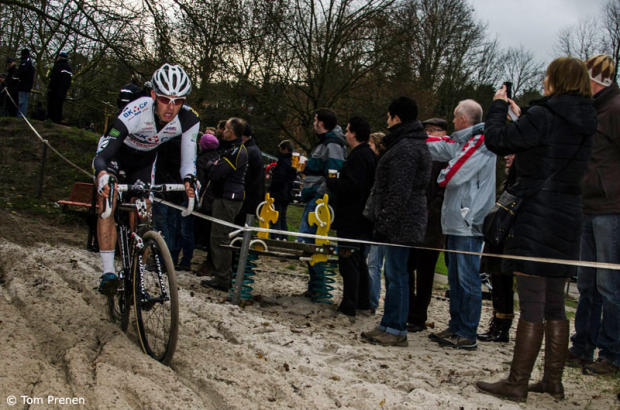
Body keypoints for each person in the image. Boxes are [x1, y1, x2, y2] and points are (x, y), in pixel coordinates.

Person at [476, 57, 597, 402]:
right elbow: (547, 147)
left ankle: (517, 382)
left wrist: (498, 107)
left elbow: (497, 140)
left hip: (536, 215)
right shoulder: (586, 119)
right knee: (555, 303)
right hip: (568, 214)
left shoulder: (544, 115)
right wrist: (523, 116)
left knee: (531, 303)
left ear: (555, 79)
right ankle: (552, 381)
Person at [92, 63, 199, 294]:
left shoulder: (189, 119)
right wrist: (102, 175)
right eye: (164, 99)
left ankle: (136, 275)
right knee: (108, 203)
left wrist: (190, 180)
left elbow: (188, 162)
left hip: (144, 161)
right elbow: (103, 154)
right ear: (153, 95)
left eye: (178, 101)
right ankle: (108, 273)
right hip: (116, 155)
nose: (171, 107)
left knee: (144, 212)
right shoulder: (136, 110)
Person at [426, 99, 496, 351]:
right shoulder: (463, 141)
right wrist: (413, 139)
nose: (453, 121)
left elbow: (454, 175)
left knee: (467, 279)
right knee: (455, 279)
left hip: (469, 220)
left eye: (455, 117)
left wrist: (442, 175)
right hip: (456, 220)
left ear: (464, 119)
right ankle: (456, 326)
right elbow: (441, 147)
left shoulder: (480, 142)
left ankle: (467, 331)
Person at [360, 96, 431, 346]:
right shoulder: (406, 144)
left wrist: (384, 223)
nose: (387, 121)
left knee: (397, 275)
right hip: (401, 219)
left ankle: (396, 328)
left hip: (402, 221)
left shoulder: (406, 148)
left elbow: (399, 192)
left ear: (396, 117)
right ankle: (388, 323)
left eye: (389, 116)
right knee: (393, 274)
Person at [568, 54, 620, 376]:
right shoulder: (593, 110)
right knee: (587, 283)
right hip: (588, 206)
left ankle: (612, 354)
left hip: (611, 209)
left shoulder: (615, 109)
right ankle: (582, 345)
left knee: (610, 285)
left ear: (594, 80)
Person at [327, 117, 377, 319]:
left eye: (348, 131)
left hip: (352, 218)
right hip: (362, 218)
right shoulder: (369, 155)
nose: (346, 134)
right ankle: (363, 301)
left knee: (348, 260)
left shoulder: (358, 156)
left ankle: (349, 303)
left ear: (354, 133)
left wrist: (334, 182)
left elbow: (353, 187)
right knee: (359, 261)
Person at [406, 118, 451, 333]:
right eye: (427, 130)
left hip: (433, 226)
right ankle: (409, 309)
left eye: (434, 130)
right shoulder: (422, 155)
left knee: (425, 274)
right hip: (415, 222)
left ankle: (418, 316)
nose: (429, 134)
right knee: (407, 268)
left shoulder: (448, 157)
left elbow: (443, 192)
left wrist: (429, 210)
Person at [297, 109, 346, 299]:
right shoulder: (325, 143)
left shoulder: (333, 144)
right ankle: (315, 284)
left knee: (309, 239)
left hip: (319, 197)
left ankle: (318, 285)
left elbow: (334, 172)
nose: (313, 123)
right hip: (313, 193)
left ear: (322, 123)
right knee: (308, 240)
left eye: (315, 120)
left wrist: (320, 193)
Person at [200, 117, 249, 291]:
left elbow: (217, 172)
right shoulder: (229, 148)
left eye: (226, 128)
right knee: (217, 237)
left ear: (232, 132)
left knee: (220, 238)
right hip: (222, 195)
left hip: (229, 198)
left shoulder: (236, 151)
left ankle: (223, 278)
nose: (223, 131)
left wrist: (212, 166)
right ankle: (220, 275)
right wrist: (212, 165)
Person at [478, 154, 516, 343]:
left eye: (512, 154)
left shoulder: (519, 181)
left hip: (507, 238)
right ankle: (497, 322)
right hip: (498, 237)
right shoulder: (509, 179)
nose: (507, 157)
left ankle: (502, 326)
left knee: (504, 283)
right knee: (497, 281)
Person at [366, 132, 386, 314]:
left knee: (374, 263)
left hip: (379, 221)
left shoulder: (381, 166)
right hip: (377, 219)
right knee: (373, 263)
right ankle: (370, 299)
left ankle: (371, 300)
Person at [194, 132, 220, 254]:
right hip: (214, 195)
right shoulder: (218, 157)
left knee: (200, 220)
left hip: (204, 193)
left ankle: (200, 242)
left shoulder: (201, 159)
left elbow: (200, 178)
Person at [235, 123, 265, 225]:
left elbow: (248, 177)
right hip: (251, 195)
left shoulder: (248, 151)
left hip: (247, 197)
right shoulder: (252, 149)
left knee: (239, 225)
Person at [268, 140, 297, 240]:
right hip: (287, 193)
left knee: (275, 215)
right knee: (283, 217)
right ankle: (284, 237)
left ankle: (276, 236)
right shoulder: (293, 162)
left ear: (285, 149)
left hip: (278, 192)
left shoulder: (283, 161)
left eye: (280, 149)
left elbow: (279, 178)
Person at [47, 51, 72, 123]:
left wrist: (50, 87)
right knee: (59, 105)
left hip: (55, 89)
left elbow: (54, 77)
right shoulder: (69, 68)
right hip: (63, 90)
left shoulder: (58, 66)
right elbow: (69, 80)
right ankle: (57, 119)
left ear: (60, 57)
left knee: (52, 104)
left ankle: (50, 119)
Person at [17, 48, 35, 117]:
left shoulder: (25, 61)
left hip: (24, 84)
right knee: (24, 100)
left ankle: (21, 115)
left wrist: (18, 77)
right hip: (27, 84)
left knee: (22, 101)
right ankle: (22, 115)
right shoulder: (30, 61)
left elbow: (22, 72)